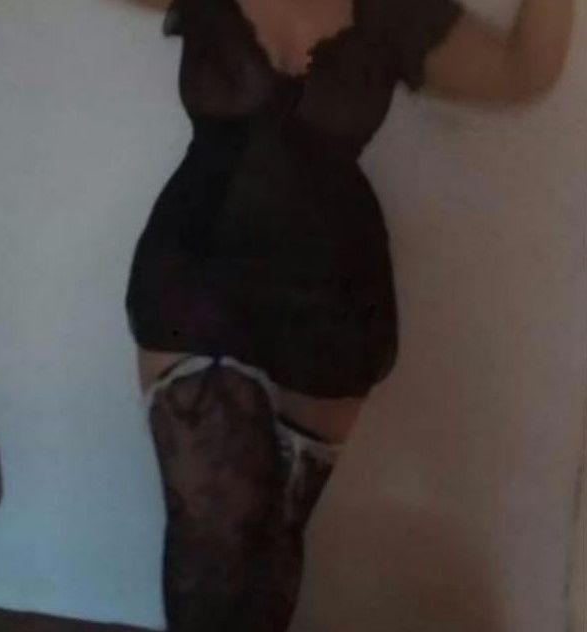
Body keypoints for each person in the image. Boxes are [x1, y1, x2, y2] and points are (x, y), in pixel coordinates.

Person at [120, 0, 574, 630]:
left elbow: (523, 70)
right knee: (209, 536)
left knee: (273, 541)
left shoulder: (396, 13)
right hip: (196, 281)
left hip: (329, 301)